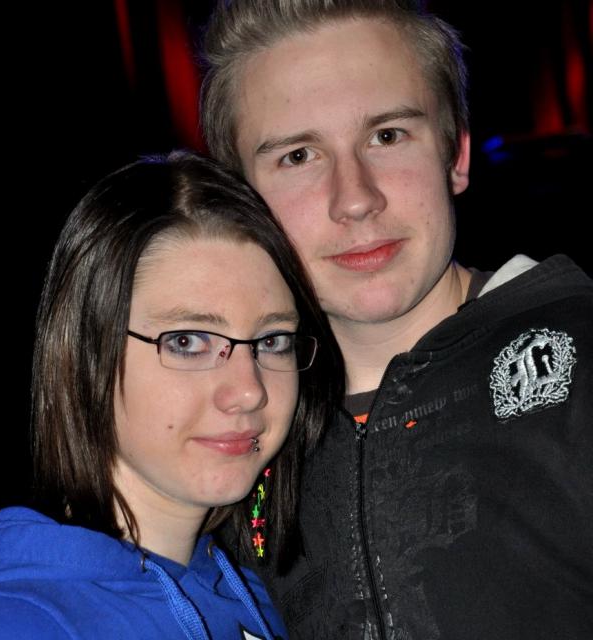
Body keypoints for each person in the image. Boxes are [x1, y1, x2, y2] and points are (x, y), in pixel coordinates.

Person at [199, 1, 593, 638]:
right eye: (298, 156)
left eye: (387, 136)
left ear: (455, 153)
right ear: (241, 201)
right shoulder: (220, 431)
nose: (355, 199)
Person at [0, 152, 343, 639]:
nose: (249, 391)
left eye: (272, 341)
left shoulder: (252, 597)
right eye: (188, 341)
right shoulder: (12, 622)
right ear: (88, 354)